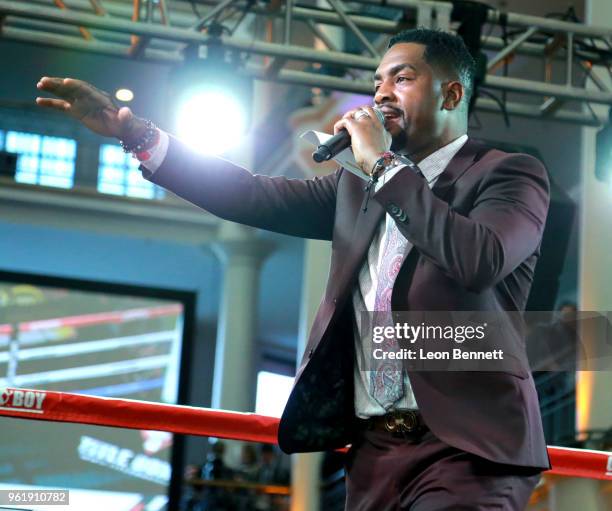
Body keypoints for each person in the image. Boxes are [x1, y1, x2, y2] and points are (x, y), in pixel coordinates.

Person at [36, 28, 551, 510]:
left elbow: (479, 259)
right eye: (377, 81)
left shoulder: (509, 174)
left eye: (403, 78)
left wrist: (382, 167)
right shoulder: (358, 188)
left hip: (467, 446)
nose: (382, 94)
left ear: (453, 96)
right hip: (375, 449)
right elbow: (254, 195)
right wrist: (138, 136)